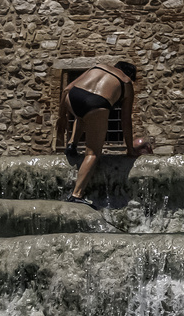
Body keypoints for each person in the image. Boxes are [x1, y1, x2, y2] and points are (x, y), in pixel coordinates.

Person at [62, 60, 146, 206]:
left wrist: (61, 117)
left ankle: (72, 145)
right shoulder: (126, 82)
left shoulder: (98, 66)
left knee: (82, 116)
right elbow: (125, 120)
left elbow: (66, 89)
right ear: (130, 75)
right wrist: (130, 149)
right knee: (93, 153)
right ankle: (76, 194)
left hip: (72, 98)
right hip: (96, 104)